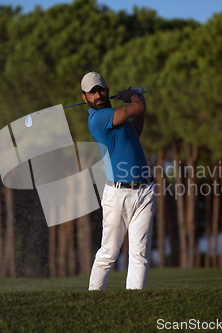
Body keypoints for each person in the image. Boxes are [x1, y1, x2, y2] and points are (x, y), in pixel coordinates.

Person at [81, 71, 156, 290]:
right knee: (109, 253)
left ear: (106, 89)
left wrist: (137, 104)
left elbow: (135, 131)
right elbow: (138, 107)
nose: (98, 95)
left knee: (139, 254)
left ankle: (134, 302)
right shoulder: (98, 119)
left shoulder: (115, 118)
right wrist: (132, 95)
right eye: (92, 92)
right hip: (118, 195)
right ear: (84, 97)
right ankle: (93, 299)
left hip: (144, 191)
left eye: (100, 89)